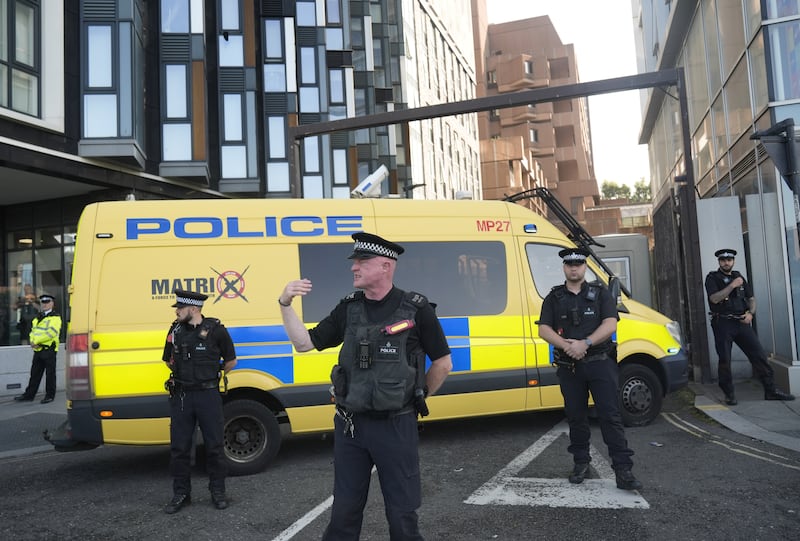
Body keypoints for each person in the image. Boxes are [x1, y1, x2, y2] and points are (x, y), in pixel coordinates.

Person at [279, 232, 452, 540]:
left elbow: (442, 363)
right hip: (351, 426)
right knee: (345, 509)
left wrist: (418, 396)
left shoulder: (417, 308)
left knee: (402, 512)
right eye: (354, 262)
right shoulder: (349, 308)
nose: (353, 268)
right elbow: (304, 343)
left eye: (362, 261)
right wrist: (285, 303)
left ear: (386, 266)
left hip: (396, 425)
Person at [537, 248, 642, 491]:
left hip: (600, 362)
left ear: (584, 267)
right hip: (570, 366)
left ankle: (623, 470)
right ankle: (581, 463)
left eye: (579, 263)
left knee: (610, 416)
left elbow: (610, 323)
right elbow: (544, 329)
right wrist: (567, 346)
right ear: (564, 268)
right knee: (576, 417)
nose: (574, 267)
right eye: (570, 264)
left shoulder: (601, 293)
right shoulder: (554, 298)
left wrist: (585, 343)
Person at [161, 289, 237, 514]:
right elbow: (167, 360)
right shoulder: (175, 330)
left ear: (193, 309)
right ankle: (181, 494)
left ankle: (218, 492)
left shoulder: (216, 331)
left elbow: (231, 360)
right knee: (179, 448)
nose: (177, 311)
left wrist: (209, 375)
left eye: (180, 308)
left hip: (208, 395)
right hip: (182, 396)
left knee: (214, 446)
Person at [705, 248, 795, 405]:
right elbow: (714, 299)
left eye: (729, 260)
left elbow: (751, 298)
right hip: (723, 323)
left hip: (741, 322)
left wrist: (751, 314)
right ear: (719, 262)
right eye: (723, 260)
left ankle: (771, 390)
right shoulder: (713, 278)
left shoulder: (739, 276)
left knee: (759, 354)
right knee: (725, 358)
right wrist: (732, 285)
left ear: (733, 261)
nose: (727, 262)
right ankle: (729, 394)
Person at [15, 294, 62, 404]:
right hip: (38, 350)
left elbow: (51, 333)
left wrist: (36, 342)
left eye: (47, 302)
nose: (45, 304)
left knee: (50, 374)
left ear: (52, 303)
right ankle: (29, 395)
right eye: (43, 302)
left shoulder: (55, 317)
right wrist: (32, 341)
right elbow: (33, 331)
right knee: (34, 373)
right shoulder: (38, 317)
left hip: (49, 349)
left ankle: (50, 395)